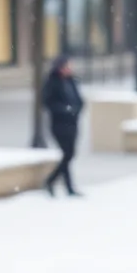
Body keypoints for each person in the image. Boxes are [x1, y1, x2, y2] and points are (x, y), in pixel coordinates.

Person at [42, 55, 84, 197]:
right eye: (66, 66)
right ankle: (53, 181)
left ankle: (62, 185)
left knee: (69, 154)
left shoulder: (72, 81)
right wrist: (65, 109)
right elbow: (48, 103)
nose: (69, 69)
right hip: (59, 124)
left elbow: (79, 99)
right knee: (67, 154)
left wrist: (77, 109)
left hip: (72, 123)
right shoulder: (52, 83)